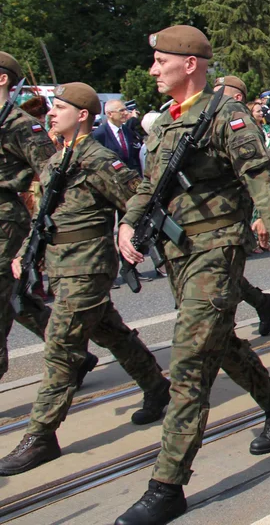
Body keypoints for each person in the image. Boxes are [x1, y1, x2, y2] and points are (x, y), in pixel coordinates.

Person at [115, 25, 270, 525]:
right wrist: (130, 222)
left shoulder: (226, 115)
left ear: (190, 64)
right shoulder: (165, 124)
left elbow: (263, 182)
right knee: (219, 343)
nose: (153, 70)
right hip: (178, 252)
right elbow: (149, 185)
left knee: (191, 359)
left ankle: (167, 484)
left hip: (217, 250)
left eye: (161, 61)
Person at [0, 83, 171, 476]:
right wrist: (24, 252)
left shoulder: (96, 159)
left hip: (88, 266)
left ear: (81, 115)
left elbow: (138, 198)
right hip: (61, 267)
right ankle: (156, 385)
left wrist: (128, 232)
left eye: (59, 107)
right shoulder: (56, 160)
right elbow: (44, 216)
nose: (51, 113)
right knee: (111, 332)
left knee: (61, 349)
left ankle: (41, 435)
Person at [0, 53, 59, 385]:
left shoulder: (21, 124)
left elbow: (52, 172)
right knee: (17, 299)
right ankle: (68, 351)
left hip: (6, 220)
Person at [213, 76, 270, 336]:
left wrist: (265, 215)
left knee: (219, 282)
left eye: (221, 93)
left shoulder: (240, 125)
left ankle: (225, 337)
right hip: (208, 215)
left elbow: (260, 175)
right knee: (220, 276)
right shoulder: (210, 122)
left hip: (231, 215)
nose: (214, 97)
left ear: (237, 97)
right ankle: (262, 302)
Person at [93, 99, 142, 174]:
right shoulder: (99, 134)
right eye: (121, 111)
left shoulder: (127, 131)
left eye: (126, 110)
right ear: (109, 114)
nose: (126, 113)